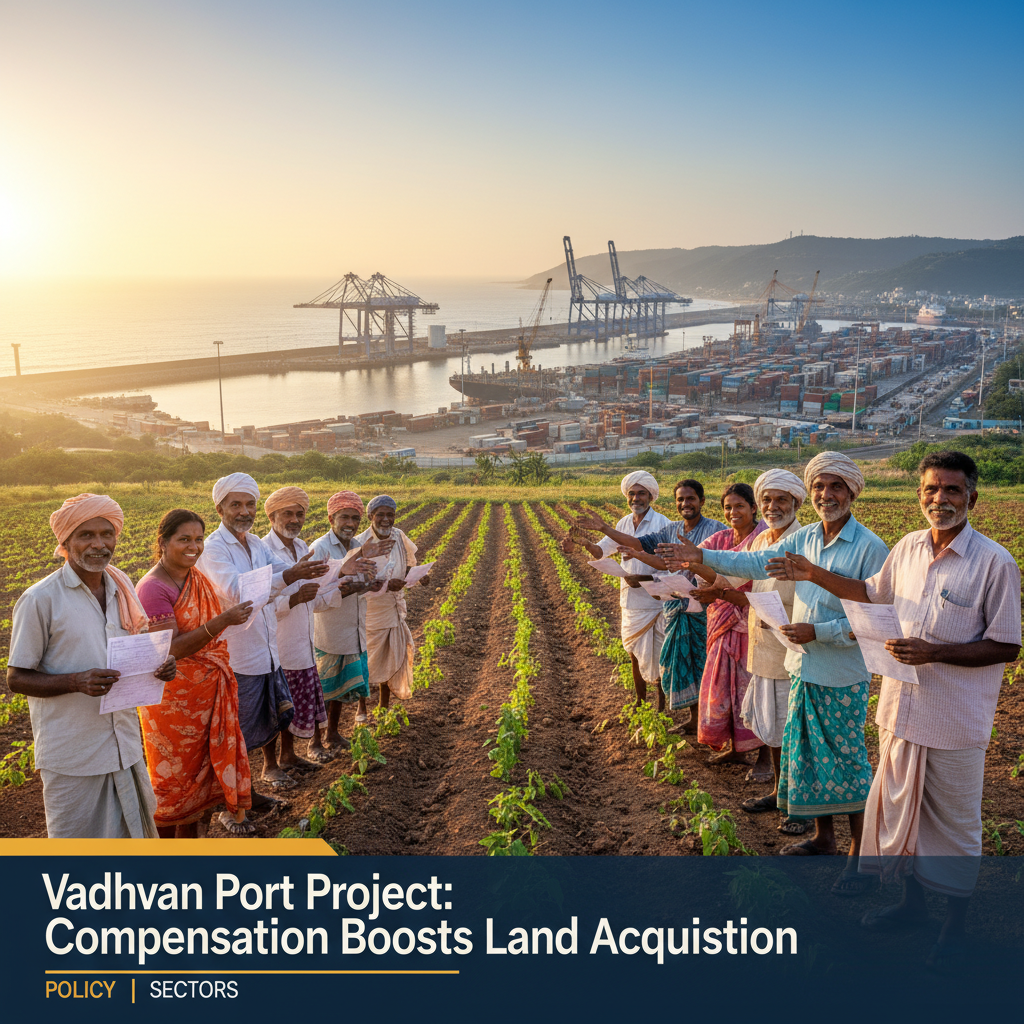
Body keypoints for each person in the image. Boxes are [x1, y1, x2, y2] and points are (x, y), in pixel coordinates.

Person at [769, 450, 1021, 962]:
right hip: (900, 711)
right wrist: (815, 574)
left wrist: (935, 652)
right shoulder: (906, 548)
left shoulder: (994, 562)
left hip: (954, 721)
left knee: (953, 824)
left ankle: (955, 927)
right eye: (931, 489)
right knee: (904, 818)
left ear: (972, 496)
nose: (940, 499)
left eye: (952, 490)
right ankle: (913, 906)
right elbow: (870, 594)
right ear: (920, 495)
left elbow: (1007, 644)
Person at [660, 452, 888, 876]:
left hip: (840, 675)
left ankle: (860, 856)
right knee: (807, 758)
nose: (826, 494)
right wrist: (702, 557)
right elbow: (751, 562)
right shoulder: (803, 540)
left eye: (835, 486)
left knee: (847, 763)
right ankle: (824, 838)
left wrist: (819, 633)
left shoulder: (870, 548)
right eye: (819, 486)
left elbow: (874, 617)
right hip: (802, 667)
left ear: (852, 491)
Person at [7, 493, 176, 838]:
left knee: (134, 846)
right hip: (74, 753)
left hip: (124, 743)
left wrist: (159, 665)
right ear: (66, 542)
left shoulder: (122, 586)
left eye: (106, 534)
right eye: (86, 535)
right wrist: (76, 682)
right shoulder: (40, 599)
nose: (99, 544)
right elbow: (16, 677)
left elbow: (135, 647)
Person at [195, 473, 330, 796]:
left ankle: (249, 792)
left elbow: (277, 576)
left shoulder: (255, 544)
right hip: (238, 655)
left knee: (268, 721)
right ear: (219, 509)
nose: (244, 511)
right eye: (236, 505)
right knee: (237, 733)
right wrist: (286, 577)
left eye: (250, 504)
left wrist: (289, 576)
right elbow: (237, 590)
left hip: (267, 650)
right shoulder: (214, 549)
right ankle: (233, 800)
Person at [136, 509, 256, 837]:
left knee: (200, 782)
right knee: (173, 783)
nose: (194, 546)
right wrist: (221, 621)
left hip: (206, 695)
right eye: (184, 539)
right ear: (163, 542)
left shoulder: (194, 577)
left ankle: (190, 848)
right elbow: (169, 650)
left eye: (199, 539)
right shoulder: (153, 588)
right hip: (173, 704)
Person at [571, 479, 725, 729]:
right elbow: (647, 550)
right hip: (675, 605)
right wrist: (606, 532)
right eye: (681, 499)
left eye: (691, 499)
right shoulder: (670, 530)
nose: (685, 504)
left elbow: (727, 558)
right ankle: (694, 719)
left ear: (702, 501)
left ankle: (711, 721)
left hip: (705, 606)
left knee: (706, 663)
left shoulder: (715, 529)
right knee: (684, 661)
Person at [733, 470, 808, 835]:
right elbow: (730, 575)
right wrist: (691, 565)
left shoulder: (804, 541)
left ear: (796, 502)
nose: (772, 506)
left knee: (793, 733)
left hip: (794, 651)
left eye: (781, 500)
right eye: (767, 500)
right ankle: (780, 793)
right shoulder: (761, 538)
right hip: (764, 649)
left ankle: (799, 807)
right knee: (774, 731)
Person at [562, 471, 671, 709]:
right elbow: (603, 551)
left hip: (655, 601)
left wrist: (642, 578)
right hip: (632, 601)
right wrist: (584, 544)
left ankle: (662, 704)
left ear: (651, 496)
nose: (636, 498)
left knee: (659, 655)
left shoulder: (663, 524)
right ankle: (640, 702)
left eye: (641, 493)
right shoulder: (623, 523)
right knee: (634, 651)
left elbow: (668, 567)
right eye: (631, 493)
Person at [685, 483, 766, 763]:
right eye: (728, 507)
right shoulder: (718, 540)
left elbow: (761, 585)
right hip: (721, 623)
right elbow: (699, 563)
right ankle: (735, 748)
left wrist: (712, 582)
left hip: (754, 625)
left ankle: (765, 758)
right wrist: (688, 561)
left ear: (754, 508)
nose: (733, 512)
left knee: (753, 690)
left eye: (739, 506)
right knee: (724, 688)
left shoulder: (764, 539)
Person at [310, 491, 389, 745]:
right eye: (344, 517)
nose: (350, 524)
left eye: (355, 518)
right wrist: (353, 586)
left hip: (353, 627)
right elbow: (317, 593)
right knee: (324, 690)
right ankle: (314, 741)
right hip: (329, 630)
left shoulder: (357, 546)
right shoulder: (320, 548)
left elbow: (358, 582)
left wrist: (370, 585)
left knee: (341, 689)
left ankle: (332, 734)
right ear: (331, 518)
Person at [262, 487, 332, 767]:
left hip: (302, 638)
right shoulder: (262, 550)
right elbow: (259, 601)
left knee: (291, 704)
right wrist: (293, 600)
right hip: (275, 640)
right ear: (271, 516)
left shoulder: (303, 548)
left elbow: (311, 596)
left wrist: (337, 581)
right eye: (287, 513)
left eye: (299, 514)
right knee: (273, 707)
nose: (294, 519)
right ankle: (270, 765)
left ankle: (288, 756)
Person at [358, 495, 431, 710]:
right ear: (371, 516)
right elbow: (357, 583)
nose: (385, 519)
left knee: (392, 656)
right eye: (380, 515)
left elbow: (406, 566)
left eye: (390, 515)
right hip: (371, 611)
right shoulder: (362, 543)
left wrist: (418, 576)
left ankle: (383, 705)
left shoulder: (399, 536)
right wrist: (387, 585)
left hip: (394, 609)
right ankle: (361, 707)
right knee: (367, 661)